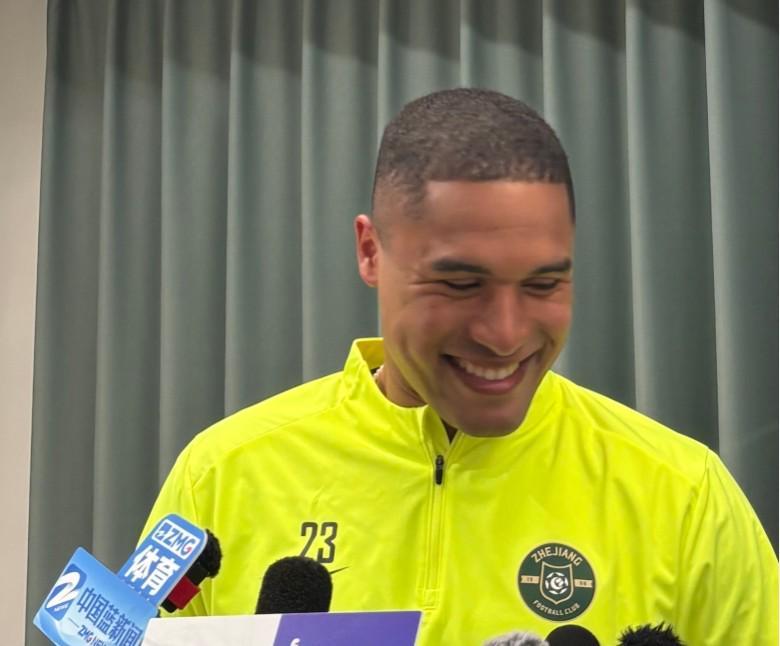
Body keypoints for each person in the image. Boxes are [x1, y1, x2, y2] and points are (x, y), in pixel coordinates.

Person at [141, 88, 777, 644]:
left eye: (543, 284)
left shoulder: (683, 493)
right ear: (371, 251)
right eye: (460, 284)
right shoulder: (221, 474)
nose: (505, 335)